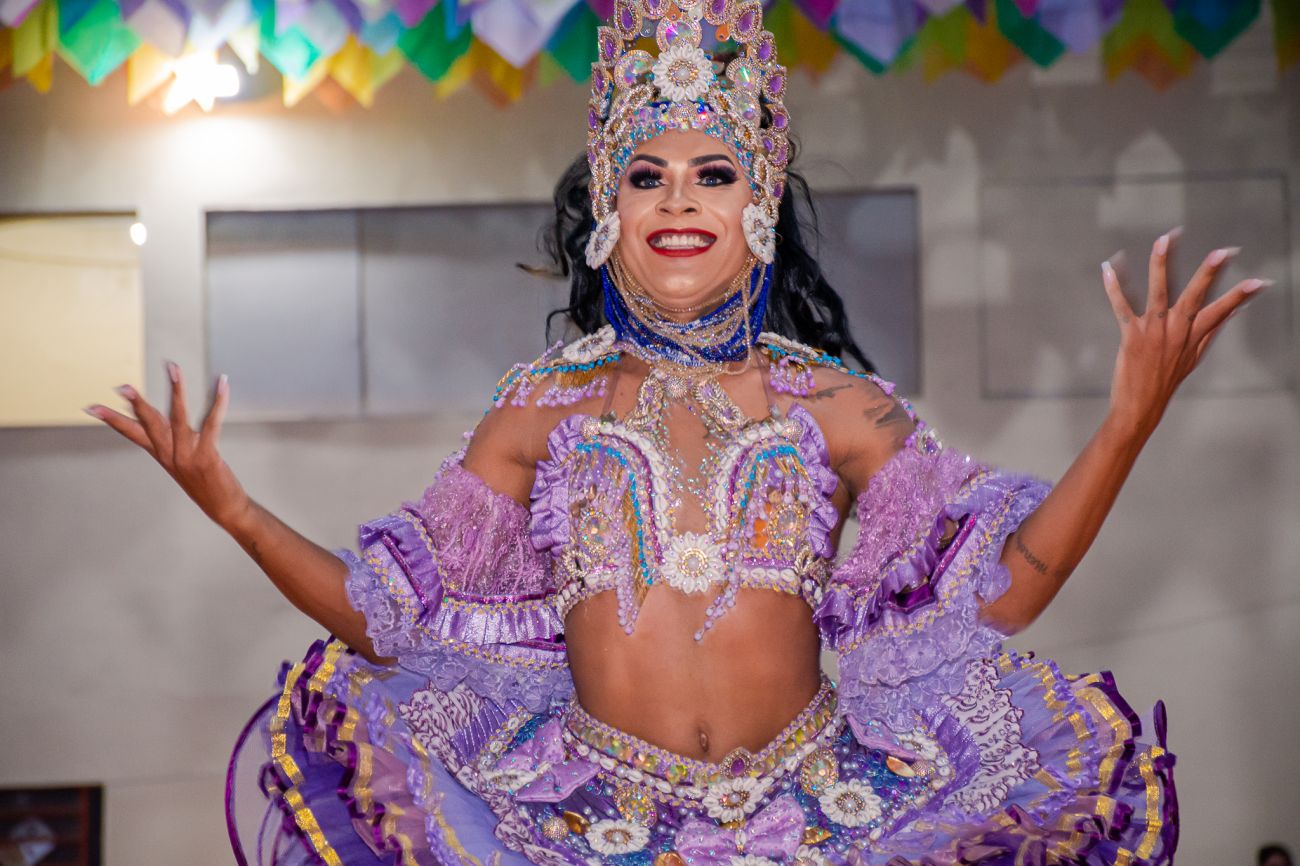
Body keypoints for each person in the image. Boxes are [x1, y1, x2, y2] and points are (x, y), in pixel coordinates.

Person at [86, 1, 1270, 863]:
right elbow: (389, 616)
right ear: (608, 214)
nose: (679, 200)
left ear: (759, 207)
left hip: (827, 814)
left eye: (712, 172)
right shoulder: (541, 405)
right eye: (646, 176)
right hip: (582, 820)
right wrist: (232, 507)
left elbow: (1005, 586)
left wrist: (1128, 421)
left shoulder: (835, 401)